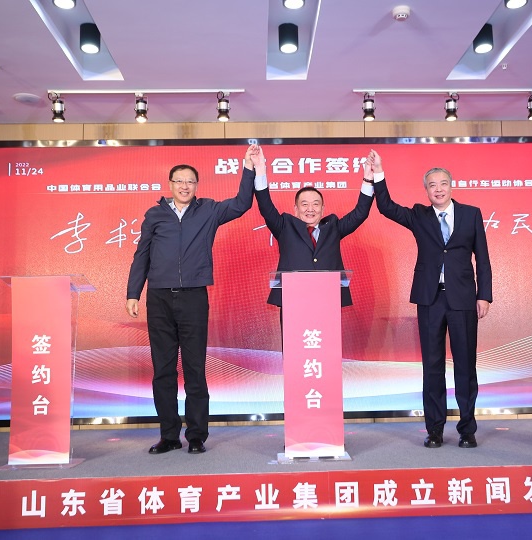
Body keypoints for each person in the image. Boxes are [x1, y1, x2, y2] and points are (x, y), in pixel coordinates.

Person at [126, 145, 259, 455]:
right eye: (179, 181)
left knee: (195, 368)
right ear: (170, 184)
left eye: (190, 181)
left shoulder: (209, 210)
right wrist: (134, 293)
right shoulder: (155, 215)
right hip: (159, 298)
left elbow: (242, 204)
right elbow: (142, 254)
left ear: (196, 186)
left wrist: (248, 168)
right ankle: (169, 435)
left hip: (194, 297)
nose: (184, 186)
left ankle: (196, 435)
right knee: (163, 370)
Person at [370, 150, 492, 449]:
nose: (438, 189)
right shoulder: (419, 215)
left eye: (443, 184)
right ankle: (435, 429)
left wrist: (484, 295)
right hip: (430, 299)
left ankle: (467, 429)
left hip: (463, 299)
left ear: (451, 186)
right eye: (432, 185)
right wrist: (378, 173)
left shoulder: (471, 214)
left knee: (466, 365)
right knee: (432, 366)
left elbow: (483, 258)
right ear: (426, 191)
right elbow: (386, 207)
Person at [253, 146, 374, 310]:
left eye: (316, 204)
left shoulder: (333, 227)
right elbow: (266, 207)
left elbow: (360, 213)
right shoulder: (284, 226)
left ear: (322, 209)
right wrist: (260, 170)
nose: (310, 209)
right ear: (296, 209)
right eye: (304, 204)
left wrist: (368, 179)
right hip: (293, 301)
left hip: (328, 300)